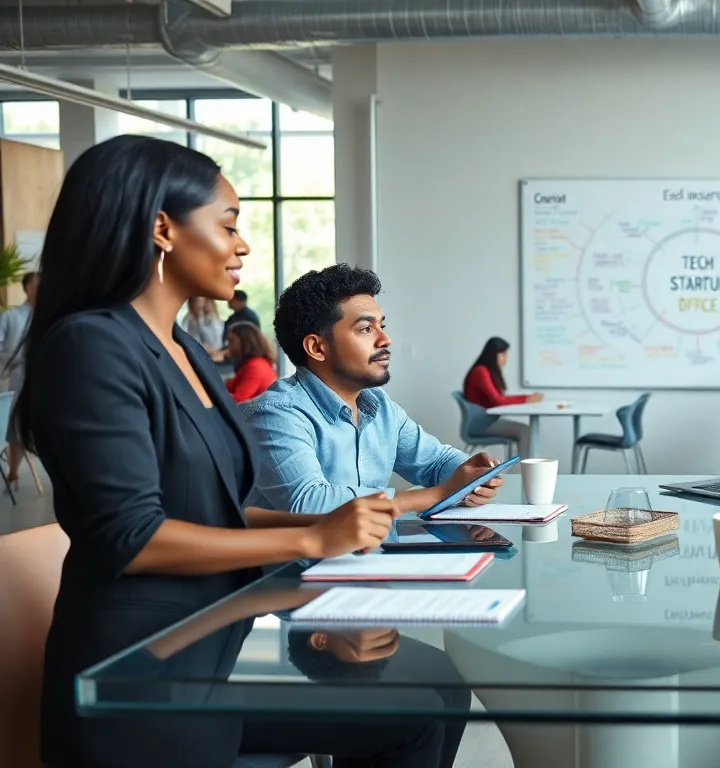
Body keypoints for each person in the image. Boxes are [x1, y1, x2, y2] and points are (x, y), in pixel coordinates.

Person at [21, 135, 447, 767]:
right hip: (143, 677)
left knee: (423, 705)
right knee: (412, 710)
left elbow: (214, 511)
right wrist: (310, 540)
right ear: (162, 229)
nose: (243, 244)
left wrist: (329, 529)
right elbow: (133, 536)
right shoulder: (92, 345)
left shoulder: (185, 349)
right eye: (228, 224)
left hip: (218, 641)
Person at [245, 264, 502, 515]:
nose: (385, 340)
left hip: (370, 555)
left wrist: (471, 473)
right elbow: (309, 502)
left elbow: (434, 462)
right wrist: (435, 495)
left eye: (382, 326)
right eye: (366, 329)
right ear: (317, 348)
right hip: (307, 559)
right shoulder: (276, 414)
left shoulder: (377, 405)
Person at [462, 336, 541, 458]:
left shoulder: (485, 371)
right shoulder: (481, 371)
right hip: (481, 424)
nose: (505, 359)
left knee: (524, 429)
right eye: (503, 354)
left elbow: (500, 398)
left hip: (487, 421)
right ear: (493, 354)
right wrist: (526, 399)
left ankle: (521, 469)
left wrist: (527, 397)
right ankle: (524, 470)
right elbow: (498, 401)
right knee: (525, 430)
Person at [0, 270, 37, 487]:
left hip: (44, 377)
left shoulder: (48, 316)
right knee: (17, 424)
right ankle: (13, 470)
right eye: (35, 285)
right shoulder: (11, 317)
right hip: (17, 377)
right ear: (26, 288)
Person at [224, 322, 278, 403]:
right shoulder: (253, 363)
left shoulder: (255, 367)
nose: (228, 346)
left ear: (245, 342)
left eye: (232, 341)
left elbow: (237, 400)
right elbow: (229, 385)